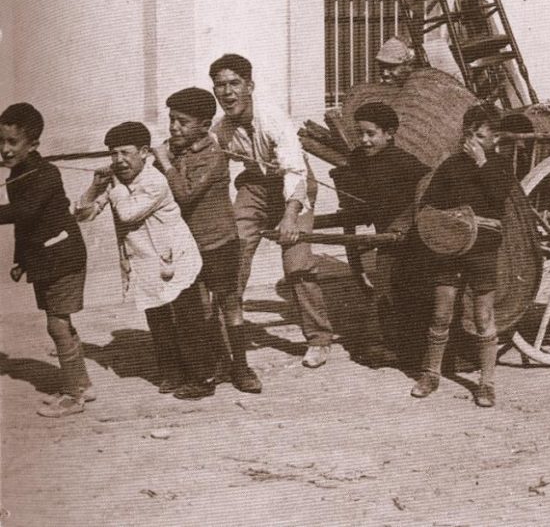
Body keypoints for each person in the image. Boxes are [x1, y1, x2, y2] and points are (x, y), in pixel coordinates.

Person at [208, 54, 334, 368]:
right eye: (220, 86)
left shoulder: (272, 117)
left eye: (234, 83)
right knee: (233, 254)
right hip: (255, 185)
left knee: (296, 263)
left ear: (249, 85)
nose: (227, 92)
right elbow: (213, 165)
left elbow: (294, 171)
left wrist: (290, 216)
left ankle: (319, 339)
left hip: (294, 184)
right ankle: (225, 335)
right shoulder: (221, 128)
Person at [76, 121, 216, 399]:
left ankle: (203, 378)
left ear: (144, 152)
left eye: (125, 153)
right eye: (113, 154)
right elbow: (83, 215)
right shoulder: (119, 181)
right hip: (148, 265)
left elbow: (129, 213)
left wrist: (112, 187)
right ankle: (173, 374)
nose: (119, 160)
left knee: (189, 322)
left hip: (177, 260)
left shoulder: (154, 181)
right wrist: (95, 188)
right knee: (159, 321)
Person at [151, 87, 262, 393]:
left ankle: (241, 368)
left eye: (182, 122)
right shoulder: (177, 151)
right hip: (190, 247)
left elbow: (185, 195)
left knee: (229, 304)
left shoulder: (213, 155)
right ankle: (208, 373)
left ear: (203, 125)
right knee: (197, 310)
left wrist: (165, 160)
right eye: (171, 120)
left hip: (219, 243)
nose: (174, 127)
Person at [410, 103, 515, 407]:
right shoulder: (451, 165)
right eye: (472, 135)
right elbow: (429, 206)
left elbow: (498, 195)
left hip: (482, 249)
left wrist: (483, 162)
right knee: (441, 313)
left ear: (495, 138)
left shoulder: (500, 166)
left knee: (483, 317)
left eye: (483, 137)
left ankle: (486, 383)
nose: (475, 142)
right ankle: (430, 374)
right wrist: (444, 225)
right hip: (451, 248)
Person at [0, 103, 93, 417]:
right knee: (62, 323)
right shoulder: (17, 173)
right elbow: (25, 226)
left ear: (34, 145)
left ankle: (73, 396)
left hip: (63, 256)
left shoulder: (46, 174)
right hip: (43, 259)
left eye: (13, 142)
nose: (5, 149)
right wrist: (20, 260)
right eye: (1, 142)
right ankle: (81, 383)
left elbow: (25, 211)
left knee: (57, 325)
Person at [340, 102, 429, 367]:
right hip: (386, 237)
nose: (365, 140)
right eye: (361, 134)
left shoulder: (404, 162)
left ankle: (403, 350)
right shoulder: (358, 159)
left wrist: (404, 221)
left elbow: (429, 187)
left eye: (371, 134)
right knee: (387, 288)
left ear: (389, 134)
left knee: (404, 290)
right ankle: (385, 345)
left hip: (412, 238)